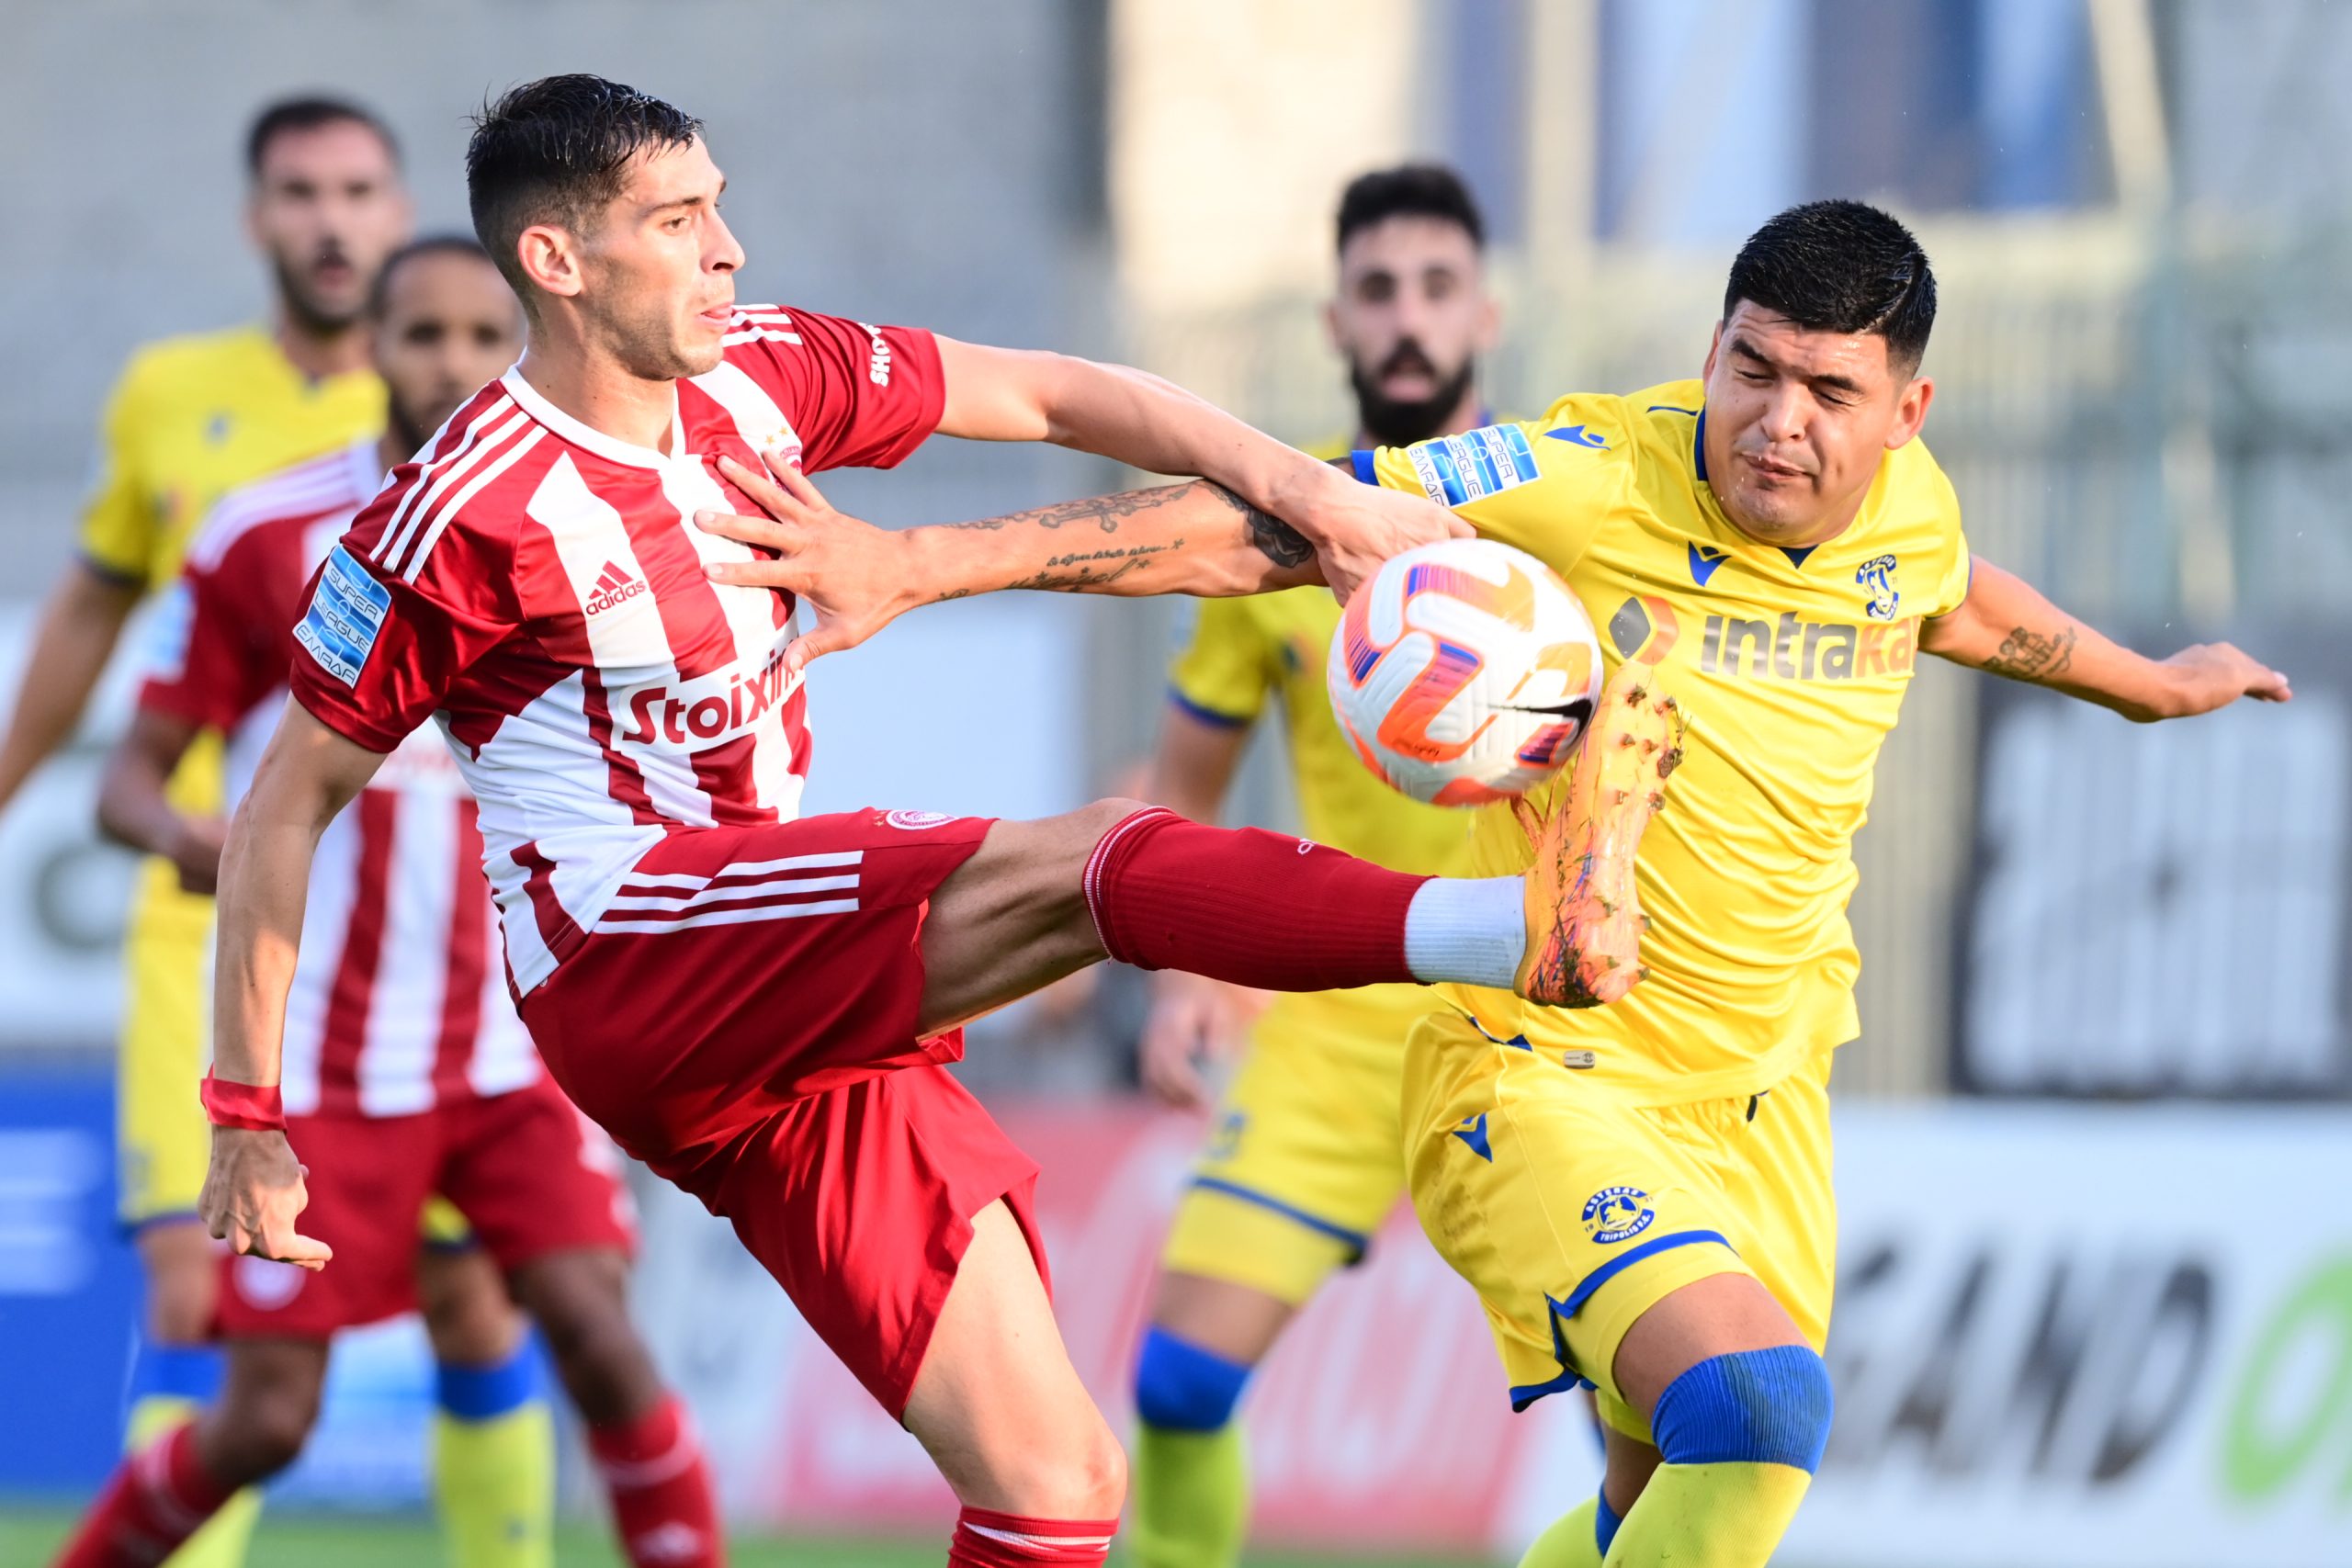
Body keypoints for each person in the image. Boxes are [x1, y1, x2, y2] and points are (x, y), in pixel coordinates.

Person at [129, 75, 1670, 1568]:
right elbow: (282, 808)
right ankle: (1519, 931)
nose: (727, 248)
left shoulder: (764, 371)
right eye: (677, 221)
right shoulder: (455, 513)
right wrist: (244, 1116)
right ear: (559, 259)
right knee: (1086, 861)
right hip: (628, 953)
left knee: (1055, 1486)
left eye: (719, 206)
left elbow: (1057, 393)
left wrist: (1312, 496)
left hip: (779, 997)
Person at [698, 198, 2290, 1568]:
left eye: (1829, 392)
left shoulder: (1909, 519)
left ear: (1908, 412)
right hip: (1543, 1066)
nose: (1778, 422)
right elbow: (1269, 528)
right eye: (1752, 369)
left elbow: (1953, 597)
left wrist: (2148, 685)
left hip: (1767, 1099)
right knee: (1756, 1408)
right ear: (1714, 348)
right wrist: (929, 561)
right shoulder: (1585, 473)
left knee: (1668, 1500)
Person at [53, 238, 725, 1568]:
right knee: (265, 1417)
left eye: (486, 336)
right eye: (424, 335)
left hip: (514, 1048)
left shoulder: (584, 526)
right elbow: (128, 781)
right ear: (373, 346)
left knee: (596, 1335)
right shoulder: (267, 537)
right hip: (325, 1063)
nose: (456, 364)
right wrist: (192, 834)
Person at [0, 96, 563, 1568]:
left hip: (433, 949)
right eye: (300, 192)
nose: (330, 219)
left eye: (358, 190)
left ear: (400, 217)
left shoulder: (476, 415)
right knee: (199, 1291)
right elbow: (93, 615)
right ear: (257, 218)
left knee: (477, 1300)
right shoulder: (171, 397)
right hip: (220, 929)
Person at [1127, 164, 1500, 1568]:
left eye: (1436, 288)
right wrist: (1186, 977)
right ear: (1338, 322)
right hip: (1339, 1014)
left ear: (1485, 313)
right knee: (1178, 1382)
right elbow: (1187, 783)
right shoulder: (1276, 538)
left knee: (1635, 1409)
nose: (1408, 319)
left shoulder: (1563, 518)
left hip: (1532, 1018)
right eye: (1378, 291)